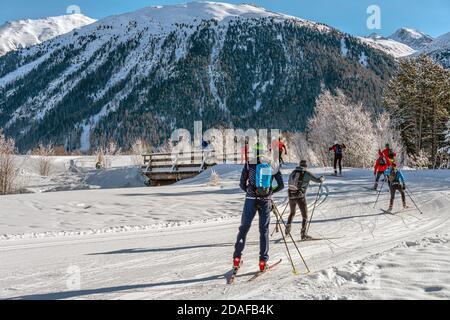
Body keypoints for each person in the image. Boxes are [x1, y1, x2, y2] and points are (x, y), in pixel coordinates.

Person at [233, 142, 284, 272]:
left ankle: (237, 258)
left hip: (250, 199)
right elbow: (281, 185)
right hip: (265, 200)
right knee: (264, 230)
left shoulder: (249, 163)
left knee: (244, 228)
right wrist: (269, 192)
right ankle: (263, 261)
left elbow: (241, 184)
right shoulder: (271, 163)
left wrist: (250, 192)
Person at [285, 160, 324, 240]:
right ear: (306, 166)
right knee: (305, 215)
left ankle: (287, 230)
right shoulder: (307, 173)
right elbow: (318, 180)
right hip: (300, 196)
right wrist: (322, 178)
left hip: (291, 195)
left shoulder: (293, 172)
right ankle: (303, 235)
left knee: (292, 213)